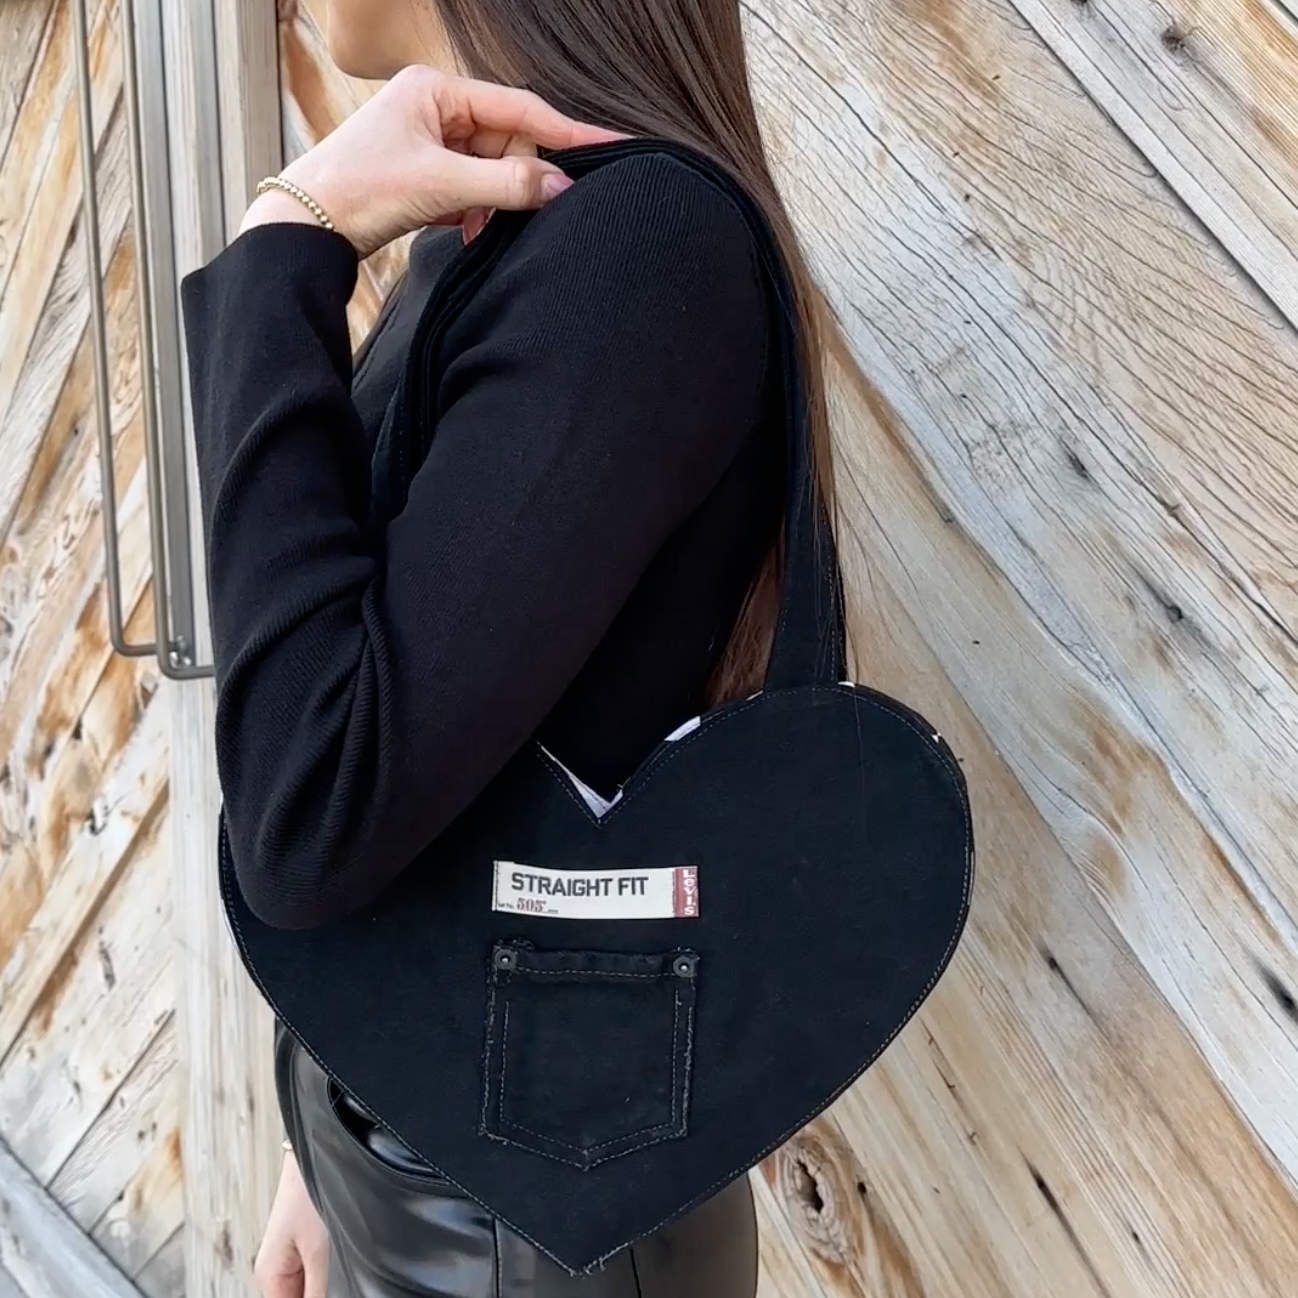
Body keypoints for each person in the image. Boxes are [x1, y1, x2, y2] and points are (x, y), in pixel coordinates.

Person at [181, 1, 832, 1295]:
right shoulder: (522, 234)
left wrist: (281, 245)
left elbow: (308, 808)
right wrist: (335, 1110)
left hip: (524, 1230)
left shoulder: (636, 254)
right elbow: (442, 741)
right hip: (439, 1164)